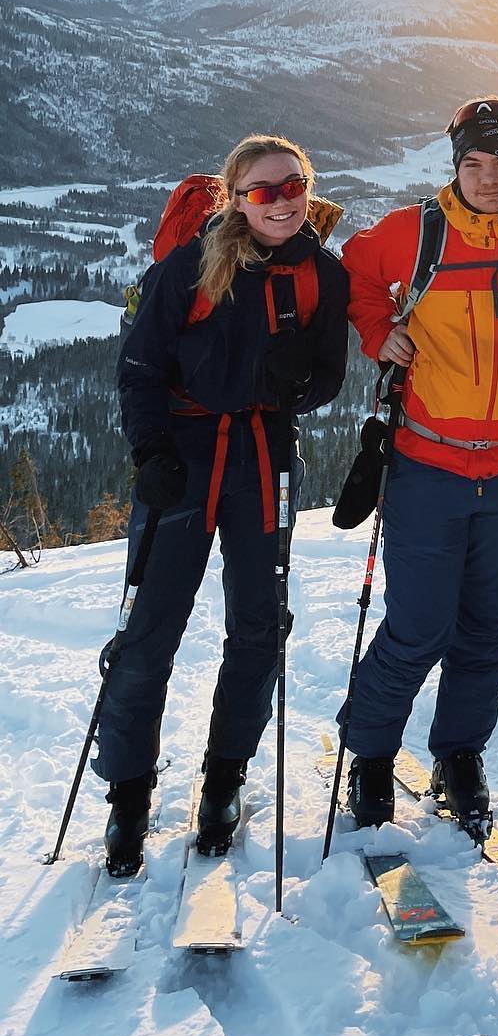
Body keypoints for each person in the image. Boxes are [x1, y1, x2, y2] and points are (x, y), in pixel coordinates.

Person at [339, 98, 498, 839]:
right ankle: (373, 756)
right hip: (426, 465)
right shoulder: (414, 233)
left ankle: (459, 755)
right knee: (417, 626)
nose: (487, 179)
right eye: (473, 164)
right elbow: (352, 274)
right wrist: (379, 333)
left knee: (487, 624)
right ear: (456, 167)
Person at [103, 135, 349, 876]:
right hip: (184, 452)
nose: (281, 202)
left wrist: (295, 384)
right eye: (264, 191)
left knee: (258, 623)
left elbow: (329, 377)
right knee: (150, 628)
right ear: (236, 198)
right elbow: (141, 365)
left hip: (264, 454)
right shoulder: (192, 266)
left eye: (292, 186)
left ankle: (224, 778)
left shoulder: (321, 275)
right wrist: (150, 453)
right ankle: (129, 794)